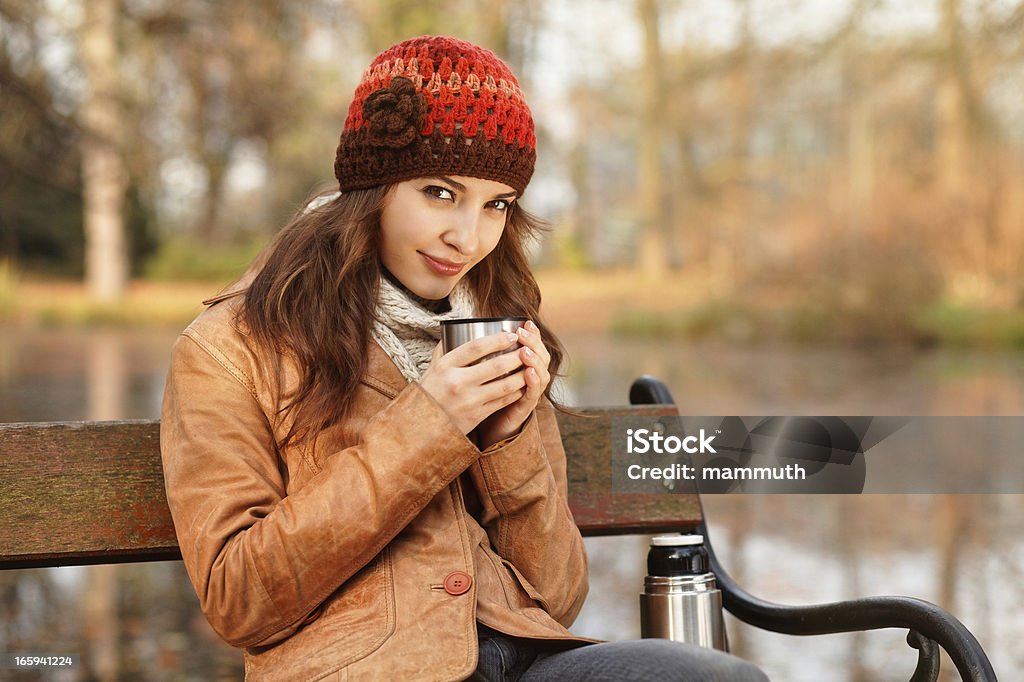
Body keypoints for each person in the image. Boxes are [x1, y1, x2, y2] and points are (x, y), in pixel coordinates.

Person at [160, 35, 769, 681]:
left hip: (528, 659)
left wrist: (509, 445)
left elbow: (556, 599)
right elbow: (238, 600)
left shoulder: (492, 329)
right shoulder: (232, 345)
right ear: (373, 186)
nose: (467, 237)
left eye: (496, 205)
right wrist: (428, 426)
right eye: (440, 193)